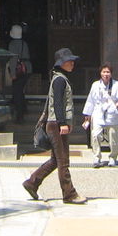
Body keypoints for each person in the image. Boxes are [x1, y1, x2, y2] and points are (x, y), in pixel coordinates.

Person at [22, 48, 87, 204]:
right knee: (63, 160)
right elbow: (57, 103)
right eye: (69, 61)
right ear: (61, 63)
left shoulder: (59, 78)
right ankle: (69, 194)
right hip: (56, 124)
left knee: (56, 160)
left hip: (54, 123)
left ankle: (32, 182)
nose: (72, 63)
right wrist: (62, 123)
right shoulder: (59, 80)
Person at [82, 63, 118, 166]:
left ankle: (113, 157)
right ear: (100, 73)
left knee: (113, 136)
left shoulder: (117, 85)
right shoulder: (95, 85)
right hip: (98, 111)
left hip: (112, 111)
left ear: (111, 74)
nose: (106, 74)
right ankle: (96, 157)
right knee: (95, 135)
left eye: (108, 72)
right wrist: (87, 114)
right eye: (104, 72)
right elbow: (90, 100)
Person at [6, 24, 32, 122]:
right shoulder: (24, 43)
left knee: (17, 92)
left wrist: (13, 73)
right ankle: (24, 108)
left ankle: (20, 115)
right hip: (27, 68)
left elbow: (13, 59)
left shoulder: (12, 44)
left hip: (19, 70)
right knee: (20, 90)